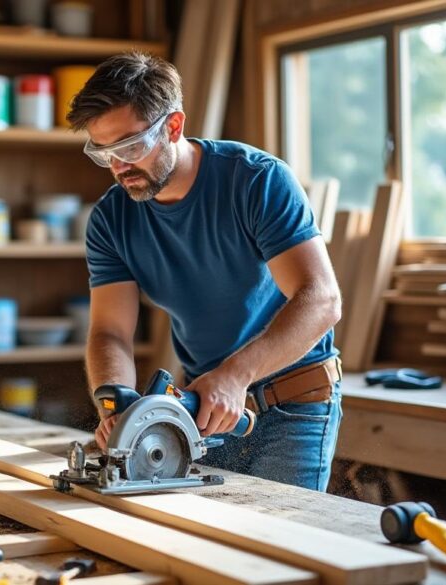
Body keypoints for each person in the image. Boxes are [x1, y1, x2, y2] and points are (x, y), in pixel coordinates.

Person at [70, 52, 343, 491]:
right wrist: (115, 404)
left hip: (293, 400)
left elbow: (321, 299)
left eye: (130, 148)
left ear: (173, 126)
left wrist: (235, 376)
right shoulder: (111, 220)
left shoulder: (256, 181)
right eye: (103, 154)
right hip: (202, 409)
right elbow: (110, 333)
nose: (118, 167)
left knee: (282, 541)